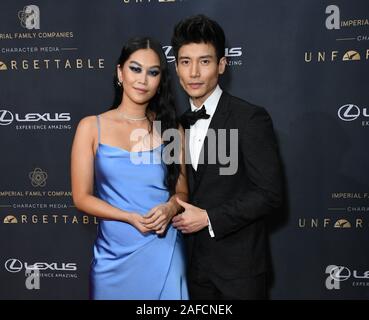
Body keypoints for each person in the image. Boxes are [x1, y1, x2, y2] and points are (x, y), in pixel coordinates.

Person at [171, 15, 283, 299]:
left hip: (238, 271)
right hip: (187, 268)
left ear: (221, 64)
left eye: (204, 61)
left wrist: (209, 218)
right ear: (176, 67)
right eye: (186, 62)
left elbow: (269, 193)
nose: (194, 72)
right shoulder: (173, 124)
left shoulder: (250, 118)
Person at [71, 37, 189, 300]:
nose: (143, 79)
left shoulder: (171, 130)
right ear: (119, 72)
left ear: (160, 82)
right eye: (135, 68)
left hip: (163, 249)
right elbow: (81, 197)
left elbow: (182, 192)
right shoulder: (91, 127)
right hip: (112, 257)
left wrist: (170, 207)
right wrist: (128, 216)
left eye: (153, 72)